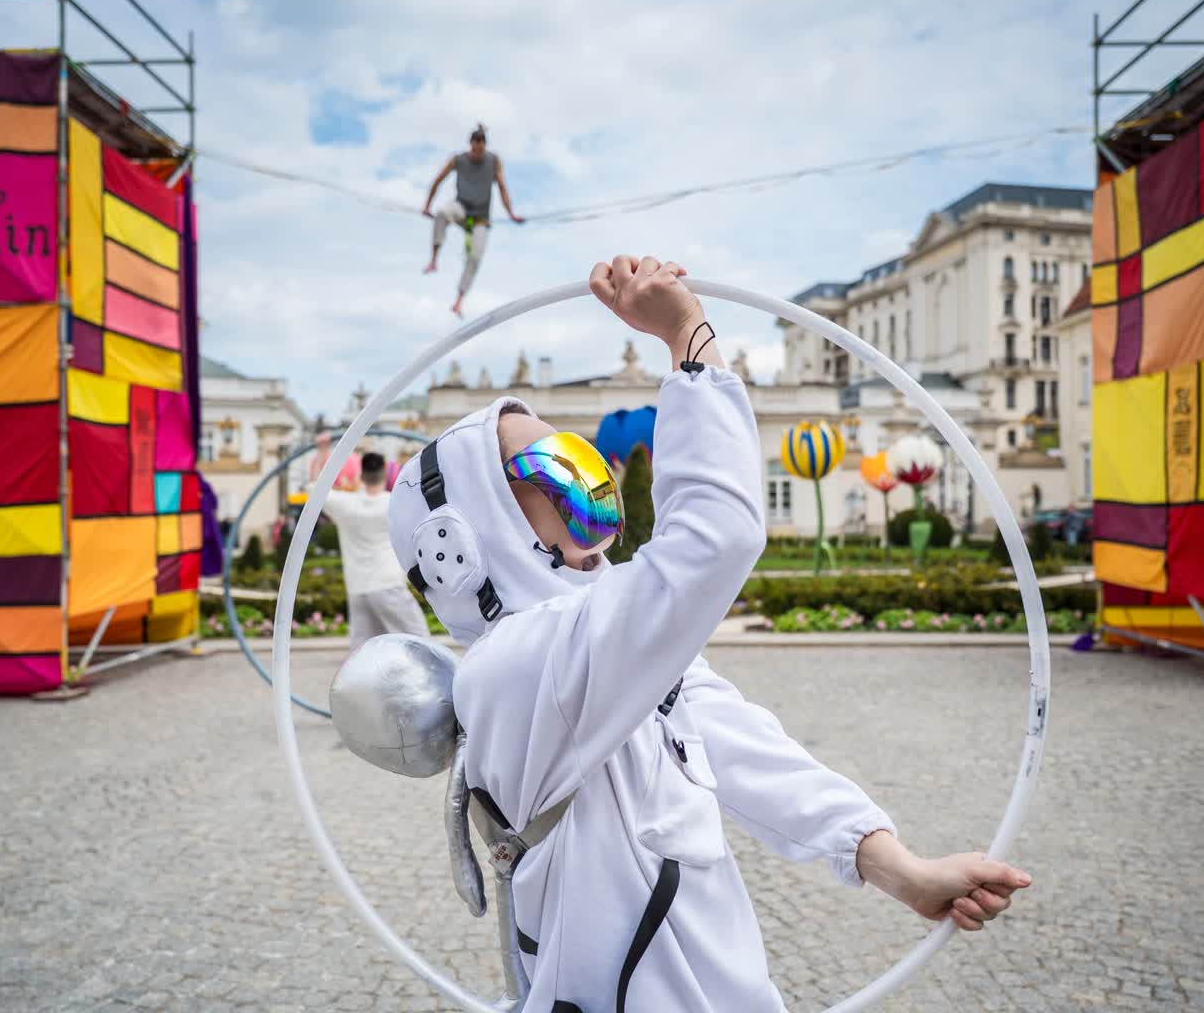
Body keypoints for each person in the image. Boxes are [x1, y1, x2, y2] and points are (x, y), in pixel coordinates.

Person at [387, 255, 1032, 1010]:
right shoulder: (518, 669)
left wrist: (901, 871)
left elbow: (747, 752)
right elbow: (714, 538)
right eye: (552, 473)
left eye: (585, 467)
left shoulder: (597, 656)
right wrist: (687, 339)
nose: (588, 491)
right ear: (455, 548)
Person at [320, 451, 428, 653]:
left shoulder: (346, 503)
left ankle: (361, 685)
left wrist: (322, 454)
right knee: (420, 641)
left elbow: (315, 490)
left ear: (361, 476)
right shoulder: (393, 502)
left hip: (358, 589)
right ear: (384, 475)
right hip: (387, 584)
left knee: (362, 653)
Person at [421, 123, 524, 317]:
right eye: (474, 149)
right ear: (470, 145)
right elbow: (437, 180)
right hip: (461, 210)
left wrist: (511, 213)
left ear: (485, 146)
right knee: (442, 213)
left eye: (481, 149)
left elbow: (502, 187)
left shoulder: (494, 161)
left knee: (475, 257)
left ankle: (458, 301)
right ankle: (434, 260)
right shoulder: (458, 160)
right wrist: (427, 206)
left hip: (480, 220)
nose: (477, 154)